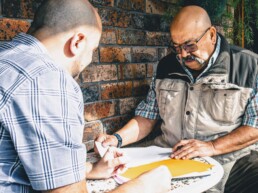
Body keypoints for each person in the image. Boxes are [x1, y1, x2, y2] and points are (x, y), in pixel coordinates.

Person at [0, 0, 172, 193]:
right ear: (77, 42)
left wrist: (91, 169)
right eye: (93, 50)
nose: (89, 60)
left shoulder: (7, 57)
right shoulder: (48, 79)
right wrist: (145, 186)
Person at [96, 5, 258, 192]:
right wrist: (116, 139)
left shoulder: (249, 66)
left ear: (212, 35)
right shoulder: (166, 66)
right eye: (176, 47)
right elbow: (147, 116)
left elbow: (254, 127)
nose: (182, 54)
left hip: (229, 159)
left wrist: (212, 147)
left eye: (190, 45)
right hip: (170, 156)